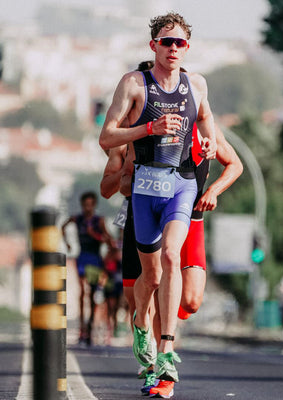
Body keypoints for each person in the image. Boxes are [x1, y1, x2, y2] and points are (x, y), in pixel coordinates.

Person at [99, 12, 217, 398]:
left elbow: (205, 115)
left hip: (180, 184)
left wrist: (210, 138)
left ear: (187, 48)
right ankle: (139, 321)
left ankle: (166, 348)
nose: (173, 49)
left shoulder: (196, 83)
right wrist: (149, 128)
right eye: (166, 42)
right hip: (145, 189)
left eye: (180, 43)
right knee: (149, 279)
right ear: (153, 46)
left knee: (171, 257)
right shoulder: (135, 83)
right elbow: (107, 137)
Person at [100, 97, 242, 396]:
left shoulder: (205, 127)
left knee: (189, 301)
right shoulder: (138, 131)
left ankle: (158, 324)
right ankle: (159, 370)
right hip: (145, 213)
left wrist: (213, 190)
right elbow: (111, 187)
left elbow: (234, 164)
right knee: (149, 287)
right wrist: (138, 175)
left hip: (190, 217)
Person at [61, 191, 112, 345]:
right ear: (82, 205)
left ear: (94, 205)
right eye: (85, 205)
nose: (87, 208)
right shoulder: (77, 219)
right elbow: (63, 226)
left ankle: (90, 326)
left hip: (95, 259)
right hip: (82, 257)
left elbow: (108, 240)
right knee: (82, 291)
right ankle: (82, 328)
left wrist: (94, 235)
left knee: (91, 294)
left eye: (90, 205)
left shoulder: (99, 220)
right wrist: (67, 243)